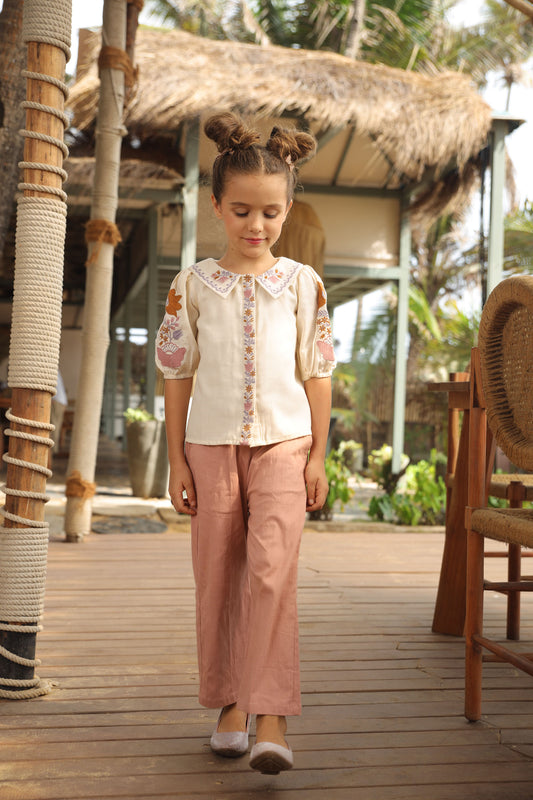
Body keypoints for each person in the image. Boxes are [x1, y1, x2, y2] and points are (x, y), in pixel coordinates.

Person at [155, 112, 336, 775]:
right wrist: (177, 457)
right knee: (219, 579)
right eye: (240, 211)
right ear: (216, 207)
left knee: (271, 574)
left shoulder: (303, 284)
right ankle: (229, 705)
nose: (255, 226)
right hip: (208, 447)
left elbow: (316, 374)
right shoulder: (191, 285)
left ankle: (272, 716)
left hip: (286, 445)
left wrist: (317, 454)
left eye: (269, 212)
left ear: (286, 209)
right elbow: (177, 375)